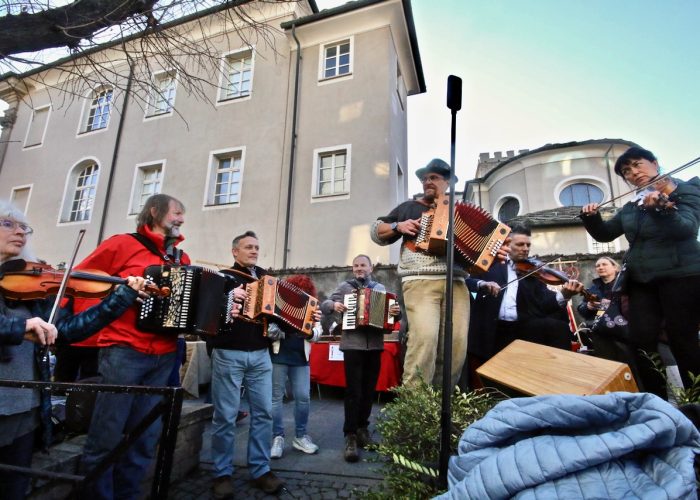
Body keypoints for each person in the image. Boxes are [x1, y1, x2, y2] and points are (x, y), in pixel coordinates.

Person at [0, 200, 146, 500]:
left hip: (23, 408)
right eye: (8, 224)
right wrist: (19, 327)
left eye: (24, 227)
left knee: (13, 488)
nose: (20, 233)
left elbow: (67, 332)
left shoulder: (28, 283)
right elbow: (14, 327)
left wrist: (120, 299)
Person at [78, 194, 193, 499]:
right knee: (106, 436)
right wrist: (119, 295)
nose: (182, 219)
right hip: (123, 350)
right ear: (154, 211)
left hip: (165, 356)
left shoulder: (182, 259)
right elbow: (81, 281)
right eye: (177, 213)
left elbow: (187, 308)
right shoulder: (122, 244)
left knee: (144, 439)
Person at [371, 158, 507, 389]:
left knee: (456, 346)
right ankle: (415, 407)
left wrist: (494, 252)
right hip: (420, 280)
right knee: (424, 340)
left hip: (457, 284)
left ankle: (443, 407)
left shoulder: (460, 213)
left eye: (433, 177)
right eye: (424, 178)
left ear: (448, 182)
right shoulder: (409, 207)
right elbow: (376, 231)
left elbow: (480, 252)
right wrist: (398, 226)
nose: (427, 182)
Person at [581, 145, 700, 396]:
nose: (633, 173)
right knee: (640, 341)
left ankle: (696, 399)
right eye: (626, 171)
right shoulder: (632, 206)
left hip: (680, 276)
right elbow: (606, 234)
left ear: (654, 163)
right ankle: (656, 399)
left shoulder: (685, 189)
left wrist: (661, 209)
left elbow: (687, 228)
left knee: (682, 340)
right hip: (642, 281)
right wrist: (591, 218)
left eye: (637, 165)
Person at [208, 231, 283, 498]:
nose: (253, 251)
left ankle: (261, 469)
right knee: (225, 416)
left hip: (261, 354)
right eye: (248, 247)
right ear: (235, 252)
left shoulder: (267, 279)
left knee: (264, 413)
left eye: (256, 247)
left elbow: (281, 314)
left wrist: (284, 325)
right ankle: (221, 473)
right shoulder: (224, 278)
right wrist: (228, 302)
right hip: (229, 352)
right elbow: (209, 313)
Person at [465, 225, 584, 387]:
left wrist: (564, 294)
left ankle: (559, 382)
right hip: (490, 328)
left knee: (557, 327)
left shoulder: (532, 272)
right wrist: (482, 283)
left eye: (528, 245)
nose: (525, 249)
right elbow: (466, 280)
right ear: (507, 245)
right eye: (520, 245)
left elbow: (544, 302)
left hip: (520, 329)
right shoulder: (489, 262)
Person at [321, 255, 401, 462]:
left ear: (370, 268)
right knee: (353, 391)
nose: (359, 269)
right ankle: (350, 435)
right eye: (356, 266)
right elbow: (325, 304)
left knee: (368, 390)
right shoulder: (344, 287)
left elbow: (392, 317)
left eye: (362, 265)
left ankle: (363, 429)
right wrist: (334, 306)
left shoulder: (380, 289)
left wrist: (396, 312)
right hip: (352, 345)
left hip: (374, 345)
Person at [269, 274, 322, 460]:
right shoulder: (279, 303)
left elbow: (317, 333)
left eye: (304, 292)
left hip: (301, 357)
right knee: (275, 399)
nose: (300, 294)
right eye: (297, 290)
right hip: (278, 355)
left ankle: (300, 436)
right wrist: (275, 331)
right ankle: (277, 437)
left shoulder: (312, 306)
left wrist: (310, 331)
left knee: (303, 397)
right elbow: (268, 329)